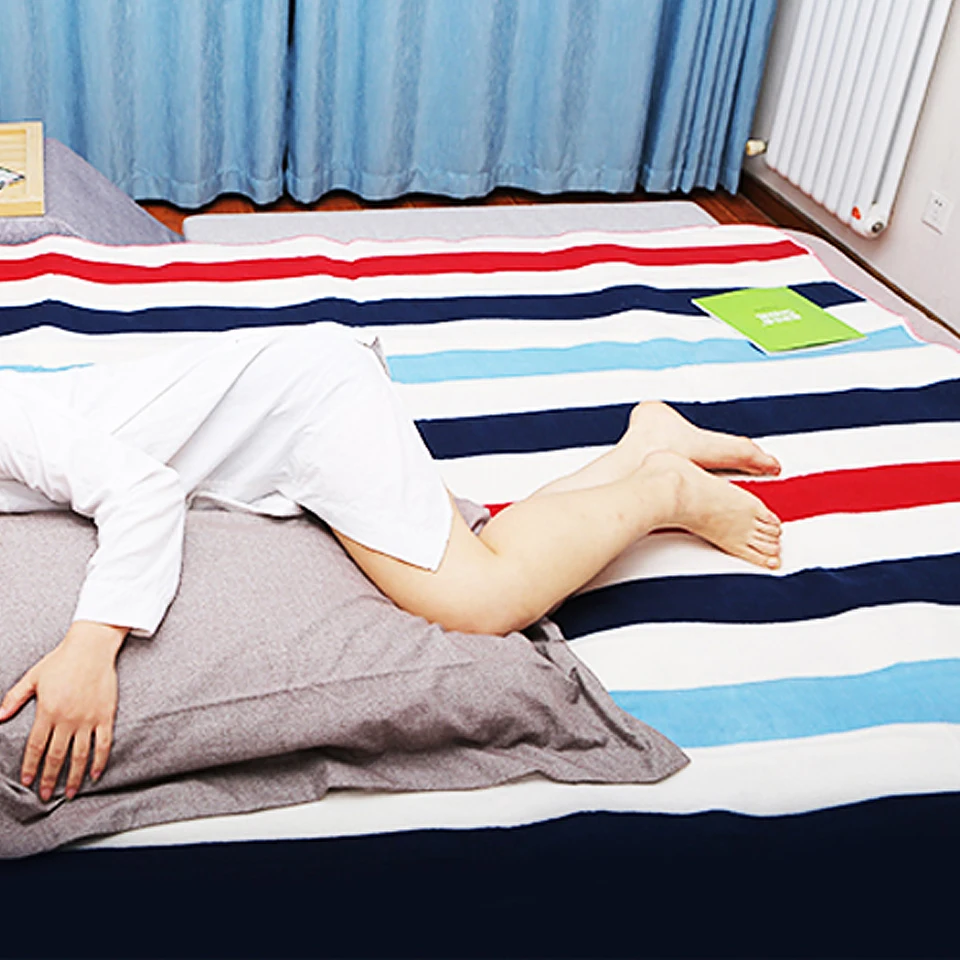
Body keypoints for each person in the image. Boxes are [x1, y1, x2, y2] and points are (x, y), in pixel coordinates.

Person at [0, 323, 782, 803]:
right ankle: (646, 446)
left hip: (305, 409)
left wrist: (91, 645)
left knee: (481, 603)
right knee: (477, 558)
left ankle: (663, 491)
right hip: (280, 414)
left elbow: (142, 491)